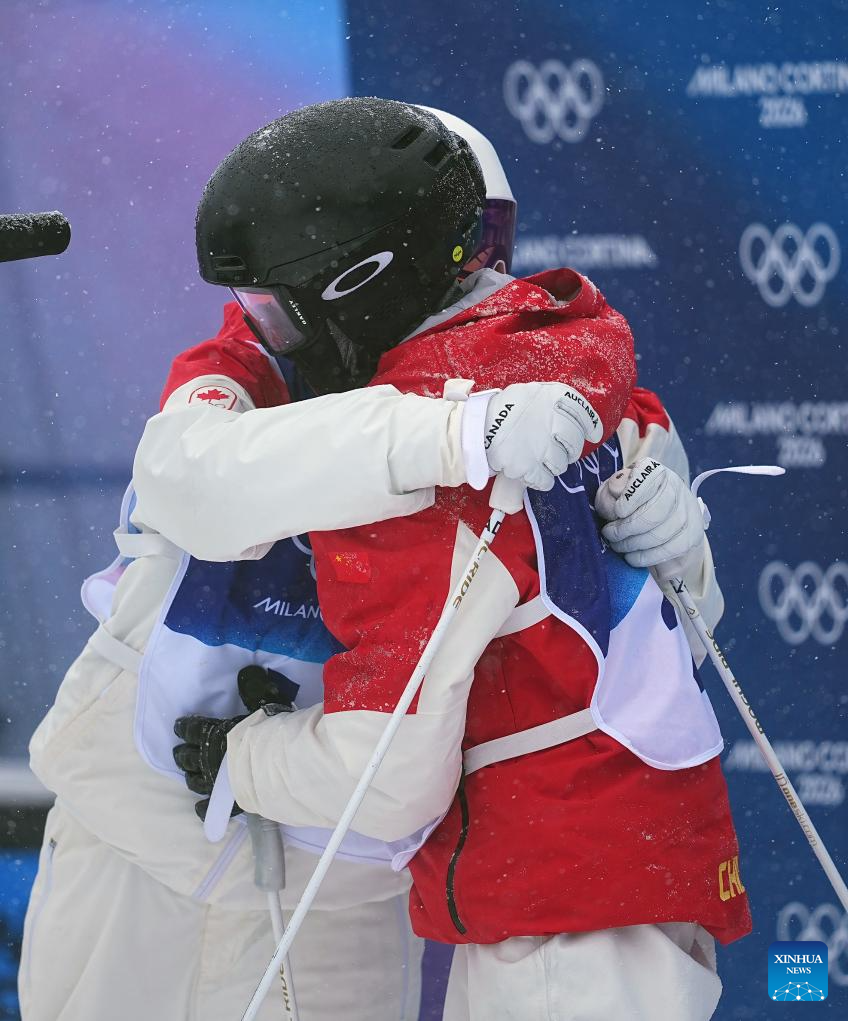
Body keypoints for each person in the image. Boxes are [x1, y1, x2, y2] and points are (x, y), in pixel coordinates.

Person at [171, 101, 751, 1021]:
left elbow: (390, 773)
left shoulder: (416, 476)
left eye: (275, 312)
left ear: (357, 284)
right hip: (639, 867)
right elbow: (662, 635)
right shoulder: (562, 360)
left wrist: (247, 759)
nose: (270, 340)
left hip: (558, 899)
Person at [19, 100, 588, 1021]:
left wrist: (663, 508)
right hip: (133, 833)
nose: (476, 273)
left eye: (486, 243)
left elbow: (614, 607)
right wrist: (441, 436)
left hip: (339, 886)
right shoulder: (256, 356)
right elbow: (192, 481)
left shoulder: (520, 387)